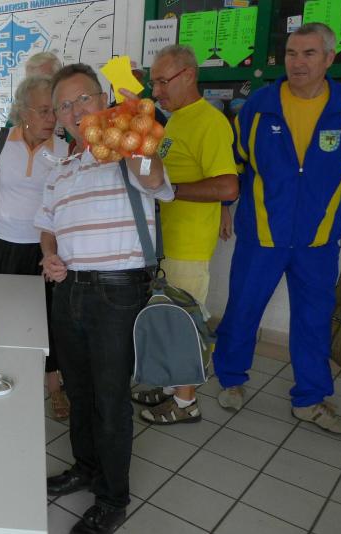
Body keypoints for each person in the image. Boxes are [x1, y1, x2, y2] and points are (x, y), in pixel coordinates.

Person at [212, 23, 341, 434]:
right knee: (243, 310)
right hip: (261, 236)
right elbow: (235, 162)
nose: (297, 62)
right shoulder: (260, 105)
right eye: (291, 53)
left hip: (317, 240)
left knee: (313, 320)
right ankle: (231, 379)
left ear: (329, 58)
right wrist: (225, 206)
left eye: (308, 53)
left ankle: (310, 399)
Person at [37, 64, 173, 534]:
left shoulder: (126, 153)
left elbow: (154, 181)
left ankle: (113, 498)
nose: (75, 110)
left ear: (103, 100)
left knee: (110, 400)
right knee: (78, 392)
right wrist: (50, 255)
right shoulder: (60, 168)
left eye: (83, 99)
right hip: (68, 291)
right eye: (64, 105)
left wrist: (135, 129)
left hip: (118, 292)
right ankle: (86, 467)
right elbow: (47, 226)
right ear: (58, 117)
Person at [131, 45, 238, 425]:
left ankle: (186, 402)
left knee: (184, 325)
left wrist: (170, 191)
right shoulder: (176, 121)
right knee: (165, 320)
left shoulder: (209, 122)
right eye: (154, 82)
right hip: (166, 243)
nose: (156, 91)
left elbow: (228, 186)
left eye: (163, 81)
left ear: (189, 75)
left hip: (188, 246)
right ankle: (167, 386)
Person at [0, 75, 70, 419]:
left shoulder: (63, 150)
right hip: (0, 245)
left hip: (42, 251)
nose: (51, 118)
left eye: (54, 110)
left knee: (47, 320)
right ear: (24, 111)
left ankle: (54, 387)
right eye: (43, 111)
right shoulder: (1, 141)